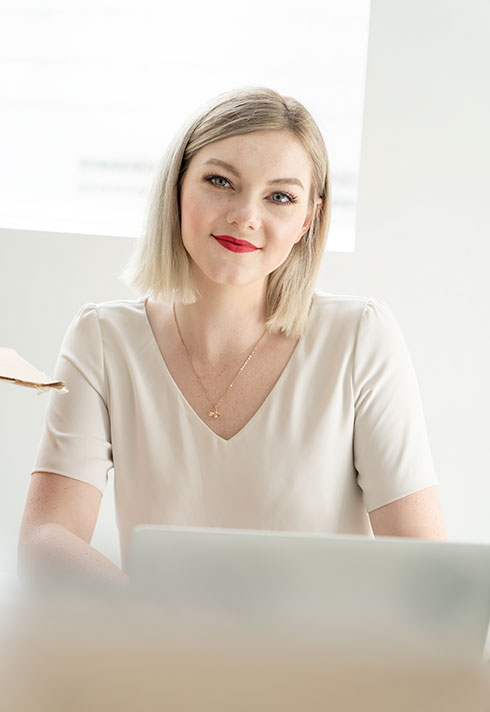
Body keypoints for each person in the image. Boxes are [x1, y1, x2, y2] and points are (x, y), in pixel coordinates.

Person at [17, 86, 447, 592]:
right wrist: (159, 621)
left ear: (307, 219)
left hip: (322, 664)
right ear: (177, 187)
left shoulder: (359, 337)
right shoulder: (103, 339)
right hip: (158, 656)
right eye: (220, 181)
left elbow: (423, 566)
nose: (245, 215)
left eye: (280, 196)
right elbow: (47, 536)